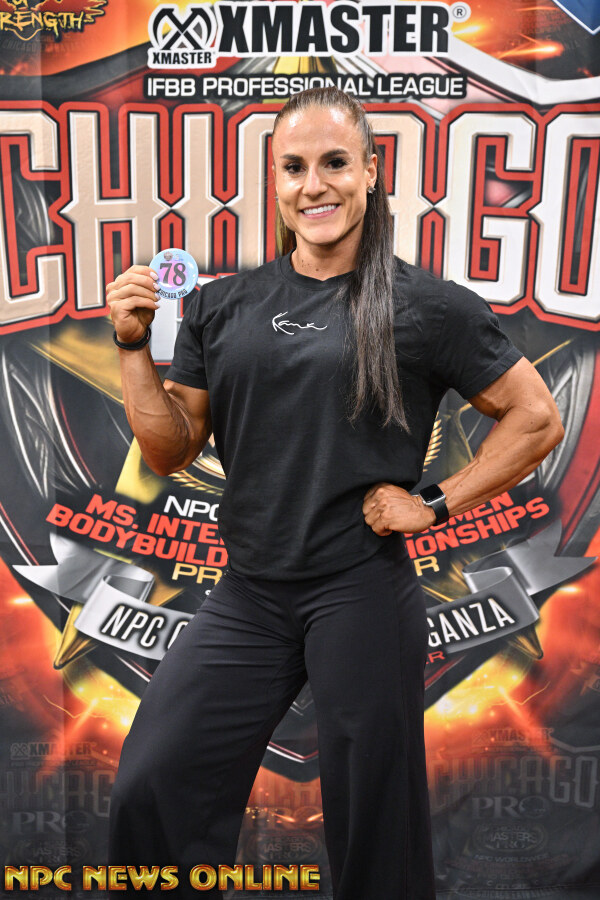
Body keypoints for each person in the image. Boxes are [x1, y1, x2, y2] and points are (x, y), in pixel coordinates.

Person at [105, 87, 564, 899]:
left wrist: (434, 503)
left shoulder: (425, 306)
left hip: (360, 589)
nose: (313, 185)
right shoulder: (222, 304)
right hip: (249, 592)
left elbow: (536, 418)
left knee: (376, 825)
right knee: (154, 780)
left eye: (334, 163)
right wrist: (134, 348)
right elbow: (170, 450)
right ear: (274, 181)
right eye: (294, 167)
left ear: (371, 173)